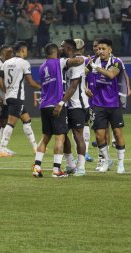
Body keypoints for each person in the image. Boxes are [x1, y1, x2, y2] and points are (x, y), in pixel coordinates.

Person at [33, 43, 84, 178]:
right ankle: (56, 170)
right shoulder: (59, 62)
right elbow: (78, 61)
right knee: (60, 137)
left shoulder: (42, 67)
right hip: (57, 106)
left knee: (45, 137)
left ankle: (37, 167)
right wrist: (86, 59)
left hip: (44, 105)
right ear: (55, 52)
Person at [86, 38, 127, 174]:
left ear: (110, 50)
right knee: (99, 135)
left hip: (114, 104)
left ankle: (121, 164)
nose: (100, 51)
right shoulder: (92, 61)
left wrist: (95, 67)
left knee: (117, 133)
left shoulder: (116, 62)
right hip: (97, 104)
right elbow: (81, 75)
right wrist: (83, 88)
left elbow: (111, 75)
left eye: (103, 49)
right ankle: (107, 160)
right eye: (99, 49)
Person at [0, 41, 41, 157]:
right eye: (26, 50)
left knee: (27, 120)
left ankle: (36, 148)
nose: (26, 52)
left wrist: (7, 91)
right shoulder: (24, 63)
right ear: (23, 50)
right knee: (11, 123)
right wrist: (42, 87)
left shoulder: (6, 63)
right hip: (17, 97)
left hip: (10, 96)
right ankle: (2, 148)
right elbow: (30, 82)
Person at [59, 39, 90, 176]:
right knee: (62, 135)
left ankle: (81, 167)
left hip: (77, 104)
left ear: (70, 48)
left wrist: (61, 102)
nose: (60, 48)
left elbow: (73, 86)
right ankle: (71, 164)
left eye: (62, 46)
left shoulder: (78, 62)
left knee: (78, 136)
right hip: (66, 105)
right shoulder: (64, 62)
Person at [74, 38, 94, 163]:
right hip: (78, 98)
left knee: (81, 126)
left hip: (81, 98)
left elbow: (83, 77)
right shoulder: (85, 60)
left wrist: (85, 88)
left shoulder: (70, 60)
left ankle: (84, 152)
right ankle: (82, 153)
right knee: (81, 126)